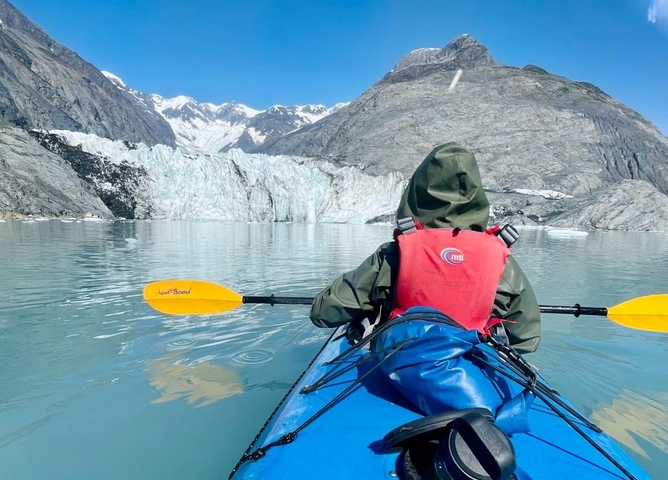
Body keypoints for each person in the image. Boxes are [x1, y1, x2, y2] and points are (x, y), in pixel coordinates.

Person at [309, 142, 541, 353]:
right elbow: (527, 340)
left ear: (415, 195)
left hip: (401, 361)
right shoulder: (500, 259)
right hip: (471, 362)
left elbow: (323, 313)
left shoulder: (393, 254)